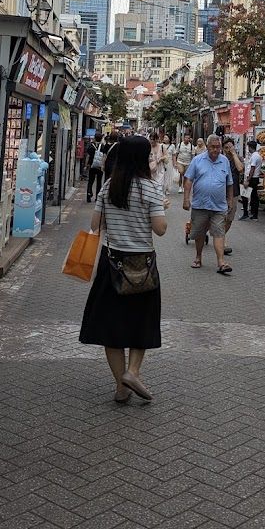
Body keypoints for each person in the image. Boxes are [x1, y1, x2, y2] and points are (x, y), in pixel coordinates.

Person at [79, 136, 167, 402]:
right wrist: (161, 209)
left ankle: (120, 386)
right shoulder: (151, 189)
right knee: (143, 322)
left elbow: (95, 224)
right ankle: (133, 371)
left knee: (111, 326)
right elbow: (160, 230)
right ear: (142, 158)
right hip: (142, 265)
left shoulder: (109, 187)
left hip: (112, 263)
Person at [183, 134, 234, 274]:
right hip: (200, 205)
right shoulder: (197, 160)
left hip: (219, 206)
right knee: (199, 233)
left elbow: (230, 183)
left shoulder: (224, 161)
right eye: (213, 147)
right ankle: (198, 257)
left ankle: (221, 262)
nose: (216, 150)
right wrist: (186, 199)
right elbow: (188, 180)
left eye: (218, 147)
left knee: (219, 232)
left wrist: (230, 199)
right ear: (207, 146)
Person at [222, 137, 243, 255]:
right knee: (222, 218)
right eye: (226, 148)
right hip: (221, 193)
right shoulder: (220, 159)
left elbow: (240, 169)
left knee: (229, 219)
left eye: (230, 147)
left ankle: (221, 236)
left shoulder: (237, 158)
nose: (228, 149)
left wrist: (234, 154)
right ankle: (222, 241)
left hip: (234, 192)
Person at [243, 140, 263, 220]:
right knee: (254, 196)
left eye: (248, 147)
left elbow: (252, 168)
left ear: (250, 147)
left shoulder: (255, 156)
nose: (248, 149)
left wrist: (248, 179)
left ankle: (247, 213)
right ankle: (253, 213)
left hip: (253, 178)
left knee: (245, 194)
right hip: (255, 178)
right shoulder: (257, 155)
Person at [86, 134, 104, 202]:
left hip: (91, 165)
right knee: (99, 182)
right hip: (99, 166)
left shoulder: (91, 146)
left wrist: (86, 165)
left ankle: (88, 195)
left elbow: (88, 156)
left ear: (94, 138)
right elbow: (104, 157)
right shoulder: (102, 146)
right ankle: (97, 198)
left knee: (90, 181)